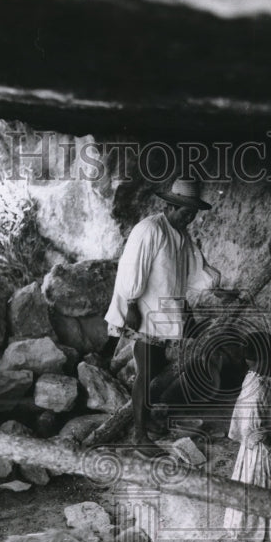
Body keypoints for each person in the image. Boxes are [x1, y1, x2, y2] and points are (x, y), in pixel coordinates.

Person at [103, 179, 235, 456]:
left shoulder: (180, 235)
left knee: (155, 365)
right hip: (143, 309)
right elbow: (132, 270)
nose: (190, 217)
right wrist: (130, 305)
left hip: (162, 313)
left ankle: (147, 419)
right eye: (185, 211)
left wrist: (218, 290)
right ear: (170, 205)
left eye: (193, 213)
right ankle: (139, 437)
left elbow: (194, 270)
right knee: (145, 372)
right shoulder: (150, 229)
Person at [222, 331, 271, 542]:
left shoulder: (254, 380)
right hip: (265, 457)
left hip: (260, 453)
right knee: (268, 497)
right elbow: (252, 427)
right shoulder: (257, 390)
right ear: (263, 360)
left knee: (259, 503)